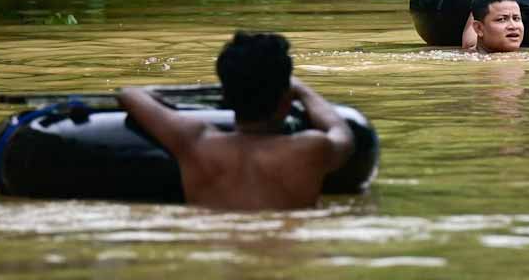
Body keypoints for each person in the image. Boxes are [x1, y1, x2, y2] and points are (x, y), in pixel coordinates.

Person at [116, 32, 354, 211]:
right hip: (282, 255)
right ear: (285, 99)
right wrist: (302, 90)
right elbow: (341, 130)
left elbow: (128, 94)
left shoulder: (195, 142)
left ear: (226, 98)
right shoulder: (310, 149)